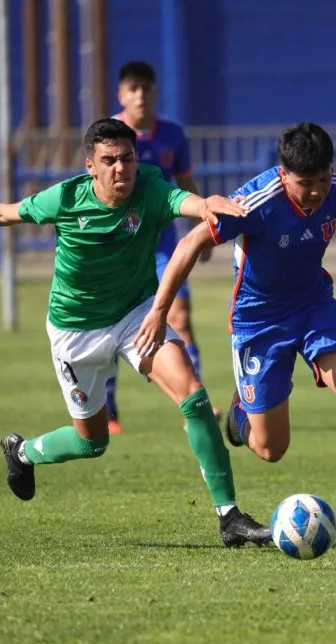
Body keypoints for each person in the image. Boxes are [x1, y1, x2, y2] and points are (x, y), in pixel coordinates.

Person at [0, 117, 271, 547]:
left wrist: (208, 203)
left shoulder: (150, 186)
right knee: (91, 443)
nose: (121, 168)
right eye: (110, 160)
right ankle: (21, 451)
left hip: (135, 314)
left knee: (192, 395)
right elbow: (0, 212)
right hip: (75, 332)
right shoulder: (65, 199)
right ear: (90, 167)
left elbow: (184, 201)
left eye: (128, 158)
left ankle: (229, 517)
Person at [134, 122, 336, 554]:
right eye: (305, 183)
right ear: (283, 174)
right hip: (258, 322)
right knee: (270, 448)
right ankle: (241, 419)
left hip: (316, 308)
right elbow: (188, 246)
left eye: (322, 179)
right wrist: (159, 310)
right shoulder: (256, 200)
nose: (316, 191)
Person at [105, 60, 216, 435]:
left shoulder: (172, 134)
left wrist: (204, 229)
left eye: (145, 89)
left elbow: (185, 182)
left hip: (164, 244)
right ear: (121, 95)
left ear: (155, 93)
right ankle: (108, 412)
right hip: (119, 248)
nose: (139, 95)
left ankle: (197, 401)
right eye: (131, 89)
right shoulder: (111, 136)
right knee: (109, 326)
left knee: (180, 318)